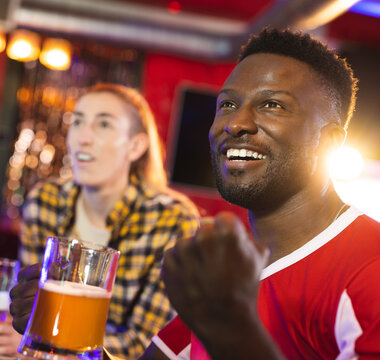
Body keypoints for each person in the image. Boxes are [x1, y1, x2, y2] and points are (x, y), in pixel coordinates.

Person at [142, 27, 380, 359]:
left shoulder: (370, 267)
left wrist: (229, 325)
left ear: (329, 142)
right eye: (227, 104)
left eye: (271, 105)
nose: (235, 123)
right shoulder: (238, 270)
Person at [0, 83, 200, 358]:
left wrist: (49, 342)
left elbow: (147, 345)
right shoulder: (45, 201)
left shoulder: (172, 218)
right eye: (77, 121)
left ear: (135, 146)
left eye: (103, 125)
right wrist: (0, 336)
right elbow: (33, 309)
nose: (82, 137)